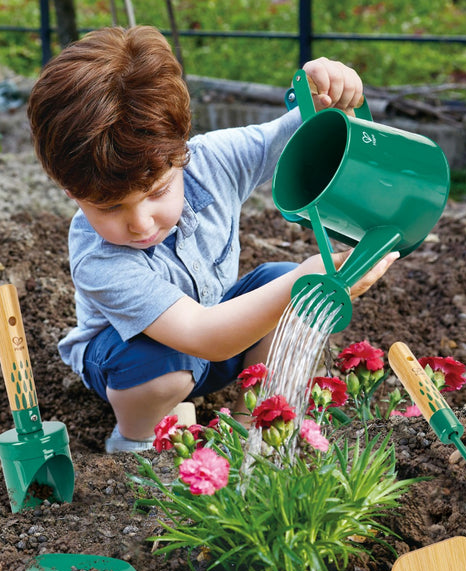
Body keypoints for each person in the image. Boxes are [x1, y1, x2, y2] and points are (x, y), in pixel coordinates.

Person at [26, 26, 397, 453]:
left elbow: (299, 136)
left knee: (280, 281)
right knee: (168, 362)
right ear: (71, 192)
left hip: (219, 340)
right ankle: (134, 440)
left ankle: (250, 427)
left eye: (158, 193)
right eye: (110, 208)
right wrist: (303, 281)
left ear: (181, 151)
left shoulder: (213, 161)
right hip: (135, 365)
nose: (142, 224)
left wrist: (328, 98)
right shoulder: (98, 259)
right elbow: (202, 334)